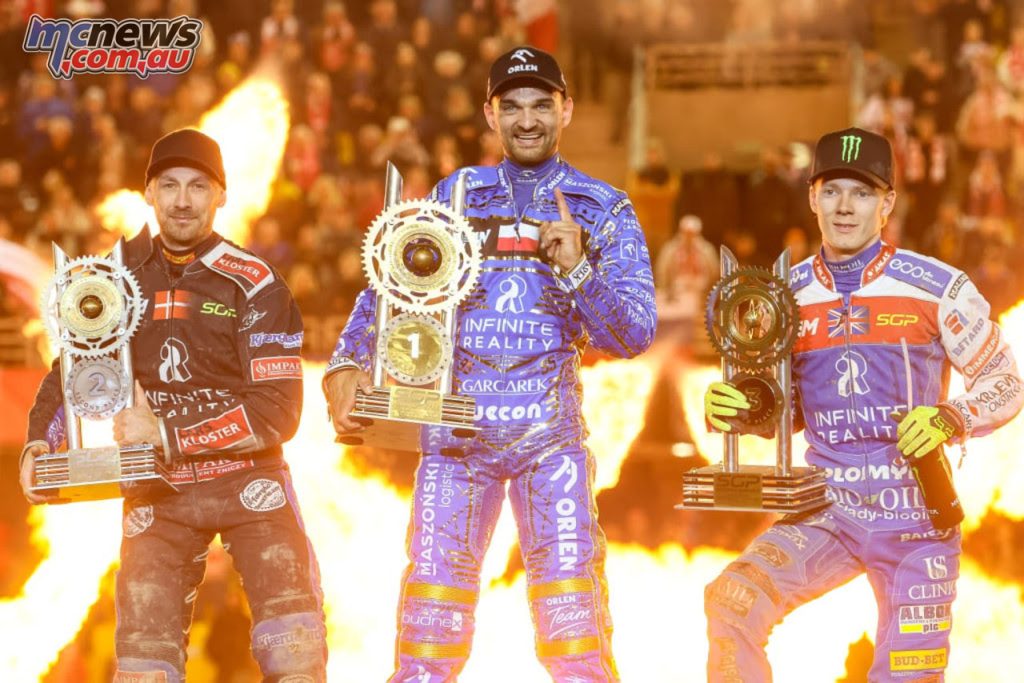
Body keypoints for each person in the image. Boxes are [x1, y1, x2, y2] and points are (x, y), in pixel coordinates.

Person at [324, 46, 656, 682]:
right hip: (455, 442)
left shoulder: (602, 206)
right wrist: (347, 360)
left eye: (540, 105)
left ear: (567, 110)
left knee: (574, 641)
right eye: (512, 107)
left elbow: (635, 333)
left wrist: (578, 270)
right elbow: (388, 284)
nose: (526, 119)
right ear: (489, 113)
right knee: (425, 640)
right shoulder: (457, 193)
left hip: (549, 448)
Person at [702, 126, 1024, 681]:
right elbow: (788, 410)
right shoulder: (784, 293)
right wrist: (743, 409)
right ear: (812, 198)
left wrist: (951, 417)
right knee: (730, 602)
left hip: (917, 521)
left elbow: (1007, 382)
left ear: (888, 204)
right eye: (831, 190)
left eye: (863, 192)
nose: (844, 206)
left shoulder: (937, 286)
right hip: (827, 510)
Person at [18, 129, 327, 682]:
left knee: (296, 656)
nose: (183, 199)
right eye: (169, 186)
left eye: (197, 186)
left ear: (221, 196)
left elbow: (279, 410)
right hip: (158, 490)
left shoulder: (256, 284)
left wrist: (164, 430)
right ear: (149, 194)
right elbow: (72, 371)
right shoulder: (114, 279)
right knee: (142, 671)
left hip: (249, 484)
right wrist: (43, 442)